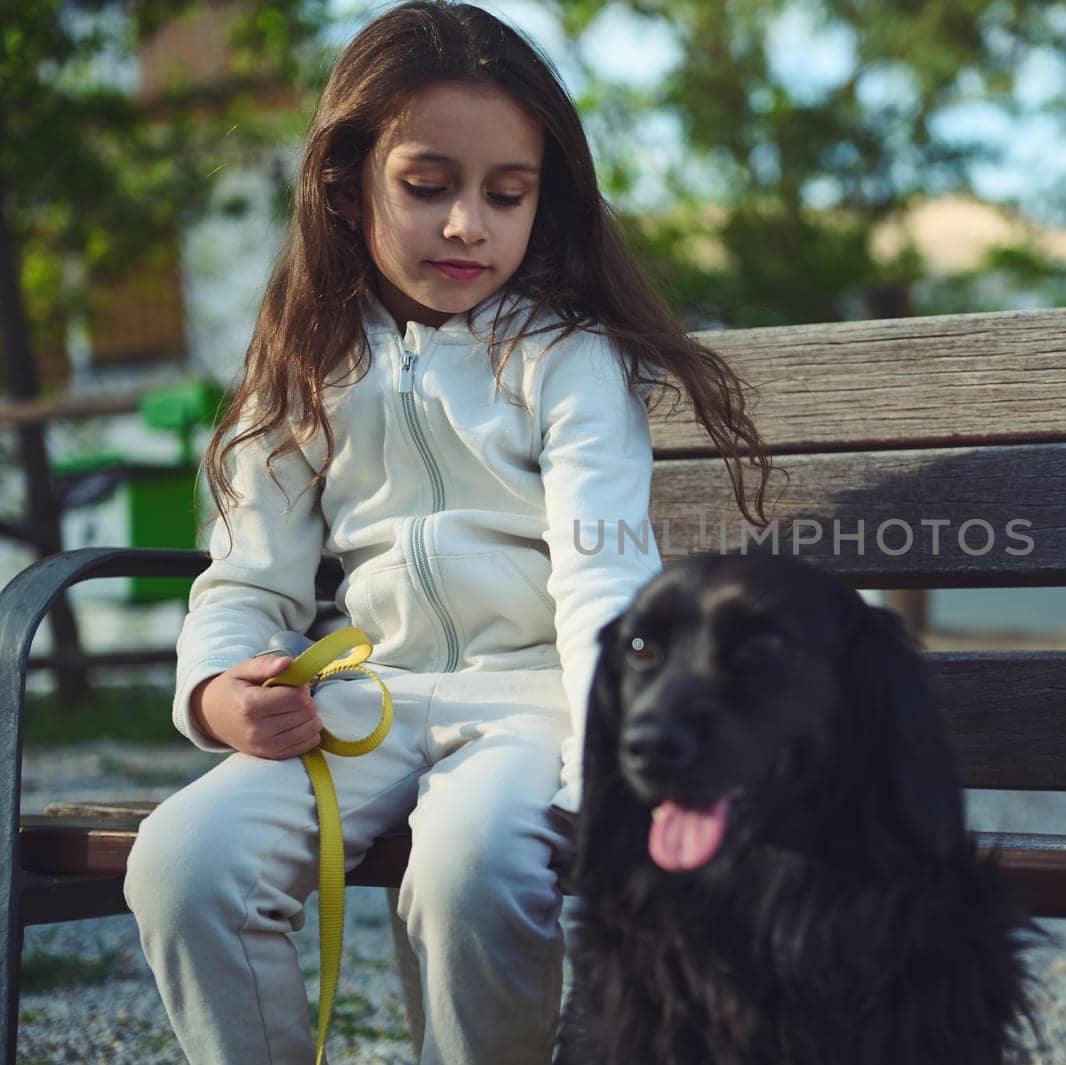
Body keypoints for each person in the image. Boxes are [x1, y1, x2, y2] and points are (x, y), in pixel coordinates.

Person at [122, 3, 771, 1062]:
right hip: (363, 710)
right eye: (428, 186)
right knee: (181, 863)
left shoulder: (569, 362)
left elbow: (603, 577)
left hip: (534, 709)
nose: (468, 223)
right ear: (346, 184)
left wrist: (609, 753)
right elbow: (244, 581)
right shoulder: (303, 371)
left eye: (505, 195)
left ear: (540, 202)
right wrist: (219, 691)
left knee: (473, 868)